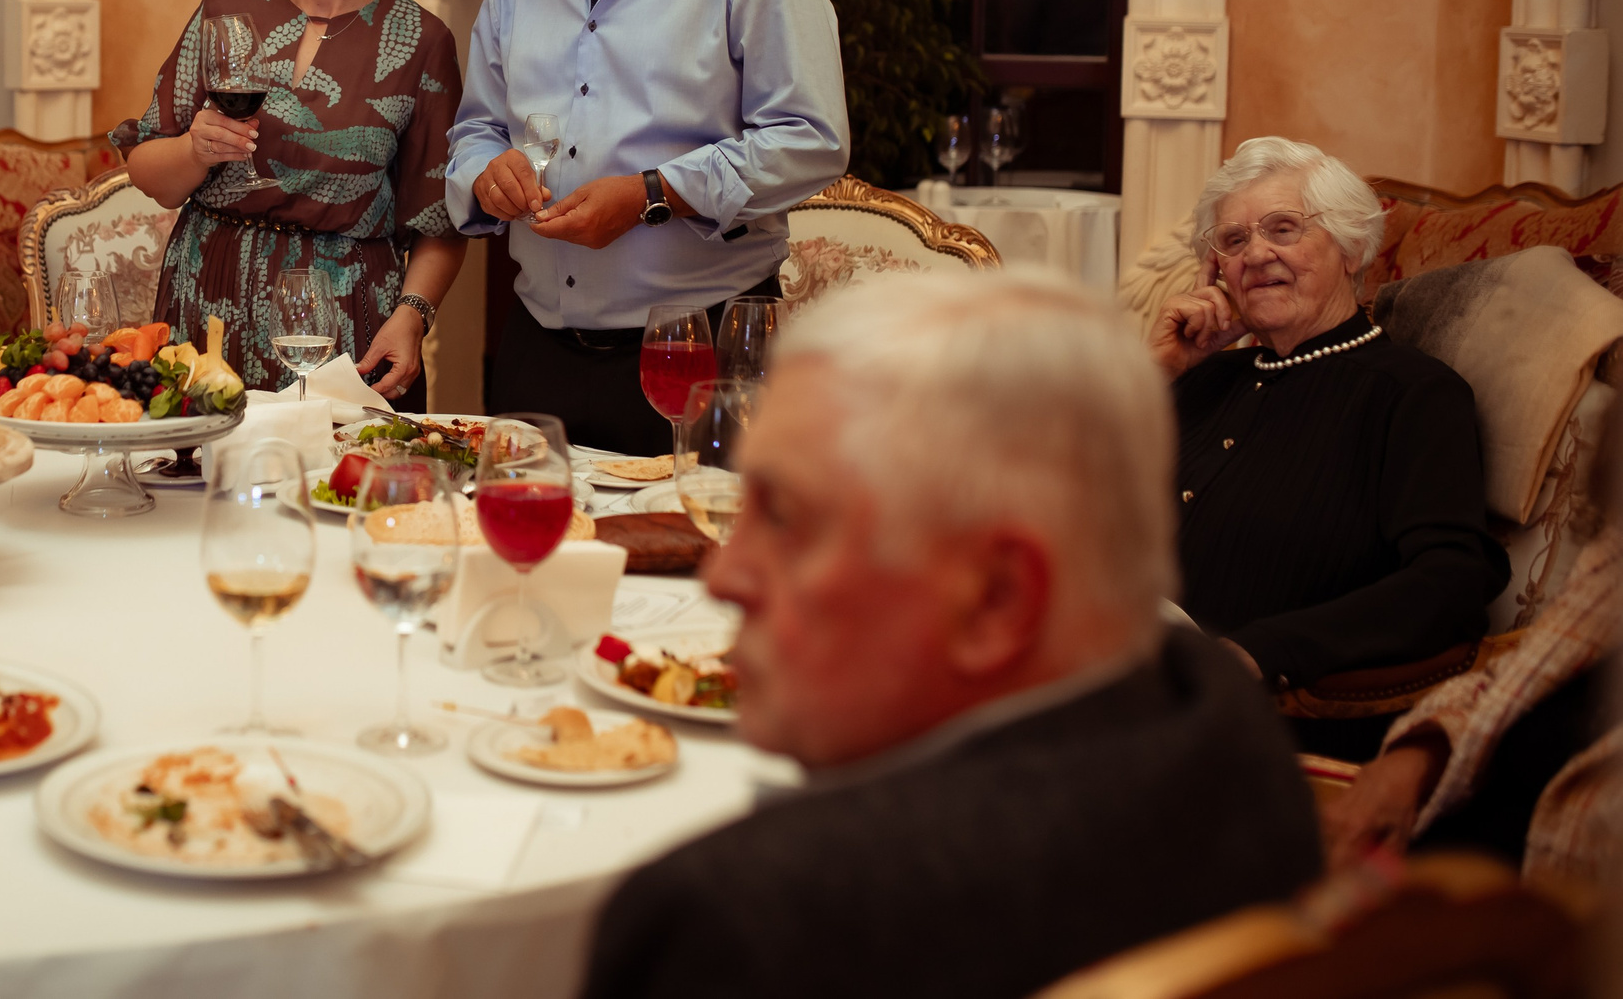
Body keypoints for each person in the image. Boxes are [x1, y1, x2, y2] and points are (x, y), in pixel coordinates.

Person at [583, 270, 1323, 999]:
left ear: (998, 600)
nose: (722, 576)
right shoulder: (1224, 729)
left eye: (785, 518)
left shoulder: (744, 921)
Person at [445, 0, 847, 455]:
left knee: (697, 531)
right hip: (536, 349)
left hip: (700, 349)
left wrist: (653, 193)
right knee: (524, 532)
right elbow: (476, 130)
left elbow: (810, 140)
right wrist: (485, 175)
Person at [1150, 137, 1507, 749]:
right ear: (1216, 271)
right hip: (1124, 677)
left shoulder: (1412, 393)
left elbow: (1452, 581)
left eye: (1283, 229)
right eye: (1233, 240)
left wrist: (1259, 652)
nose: (1255, 253)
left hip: (1261, 721)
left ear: (1351, 247)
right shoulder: (1203, 376)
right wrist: (1157, 371)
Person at [113, 0, 466, 405]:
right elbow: (150, 172)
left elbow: (439, 222)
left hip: (344, 328)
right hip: (208, 312)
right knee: (201, 464)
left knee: (342, 465)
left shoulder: (421, 41)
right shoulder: (226, 10)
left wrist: (413, 315)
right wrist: (196, 151)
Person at [1322, 514, 1618, 886]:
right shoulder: (1614, 555)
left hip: (1514, 904)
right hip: (1427, 864)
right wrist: (1417, 759)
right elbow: (1510, 678)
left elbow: (1451, 574)